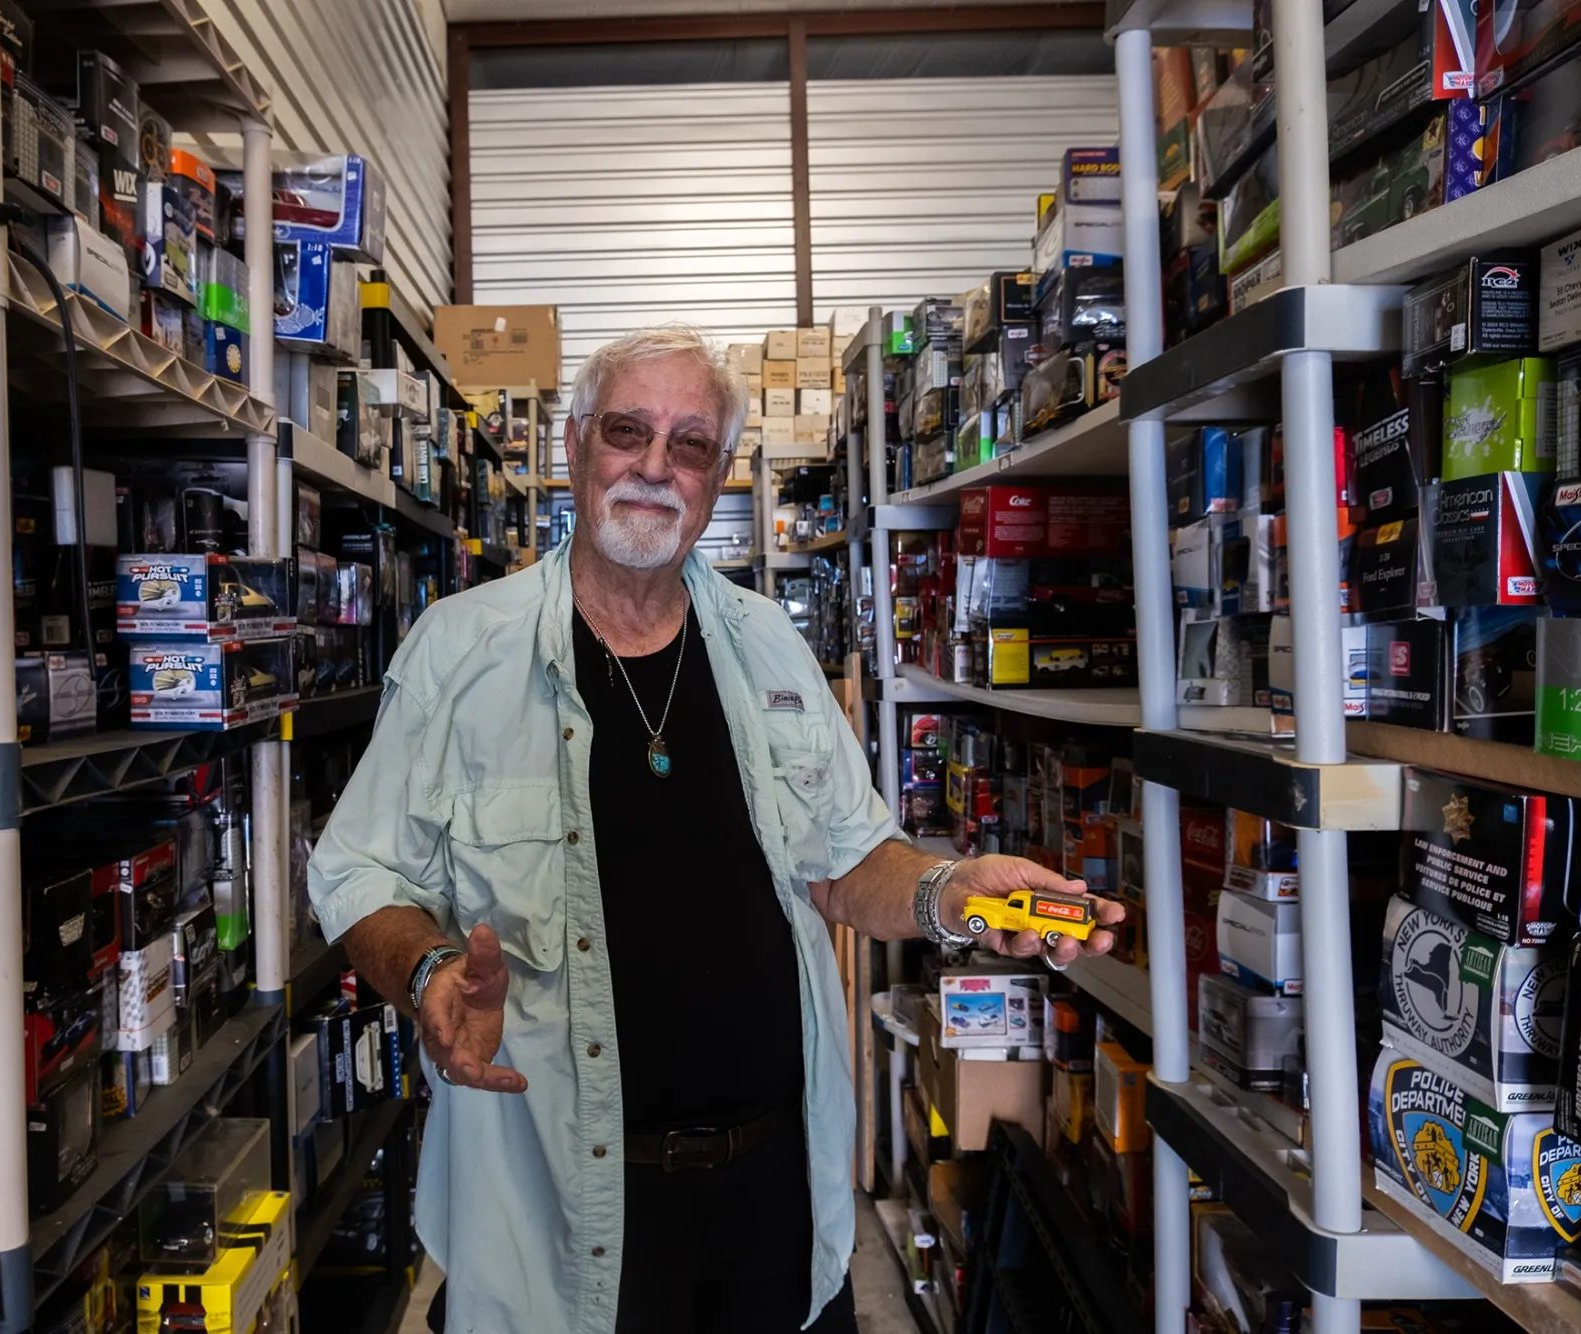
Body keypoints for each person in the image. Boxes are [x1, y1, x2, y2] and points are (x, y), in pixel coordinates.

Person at [308, 325, 1124, 1334]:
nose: (653, 466)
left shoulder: (766, 644)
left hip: (770, 1200)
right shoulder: (458, 653)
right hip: (556, 1210)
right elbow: (356, 872)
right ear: (573, 445)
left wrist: (943, 889)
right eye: (626, 431)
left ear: (718, 472)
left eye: (688, 443)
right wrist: (429, 970)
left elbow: (845, 862)